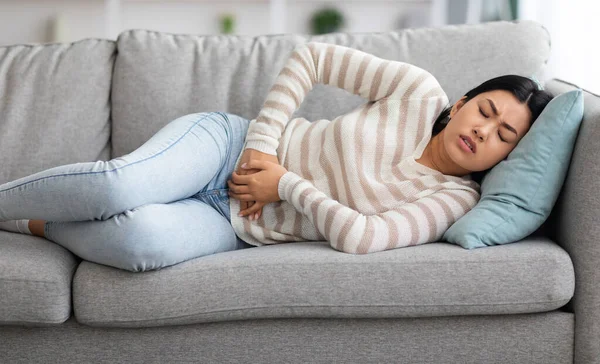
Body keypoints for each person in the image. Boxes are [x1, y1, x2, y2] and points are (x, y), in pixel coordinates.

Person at [0, 42, 553, 272]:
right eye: (485, 111)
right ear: (461, 103)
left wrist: (285, 184)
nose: (484, 132)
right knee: (117, 188)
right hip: (228, 148)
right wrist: (262, 152)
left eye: (504, 135)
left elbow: (361, 238)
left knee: (140, 243)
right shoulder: (417, 90)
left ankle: (40, 223)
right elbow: (310, 57)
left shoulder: (454, 200)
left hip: (239, 224)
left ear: (507, 154)